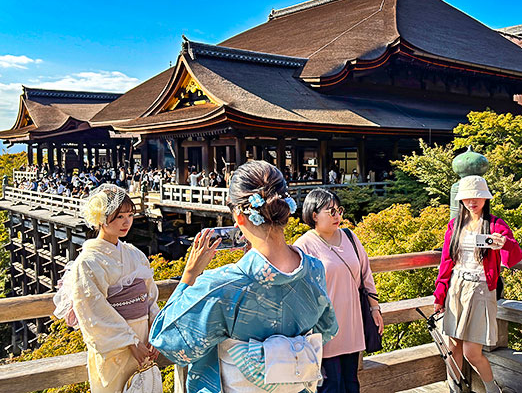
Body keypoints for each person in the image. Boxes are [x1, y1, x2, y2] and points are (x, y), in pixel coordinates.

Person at [149, 160, 339, 393]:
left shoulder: (221, 285)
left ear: (239, 217)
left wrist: (189, 275)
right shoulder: (315, 270)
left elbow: (166, 339)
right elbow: (326, 329)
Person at [53, 184, 160, 393]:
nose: (127, 222)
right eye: (119, 216)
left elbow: (150, 299)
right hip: (114, 346)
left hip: (144, 339)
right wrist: (130, 341)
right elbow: (92, 309)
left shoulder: (134, 254)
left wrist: (154, 333)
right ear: (101, 217)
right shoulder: (88, 261)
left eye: (130, 215)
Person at [433, 176, 522, 393]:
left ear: (485, 198)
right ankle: (456, 389)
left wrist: (504, 244)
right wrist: (440, 295)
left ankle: (493, 390)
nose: (472, 201)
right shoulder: (454, 225)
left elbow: (514, 258)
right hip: (456, 288)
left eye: (478, 196)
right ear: (461, 200)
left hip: (481, 289)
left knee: (472, 352)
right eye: (467, 197)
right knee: (453, 347)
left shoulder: (495, 224)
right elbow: (447, 261)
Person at [294, 188, 383, 393]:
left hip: (351, 323)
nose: (338, 216)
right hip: (324, 328)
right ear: (314, 214)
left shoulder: (350, 237)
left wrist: (375, 309)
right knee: (331, 385)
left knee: (352, 382)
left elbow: (365, 275)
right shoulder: (303, 246)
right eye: (331, 211)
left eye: (339, 210)